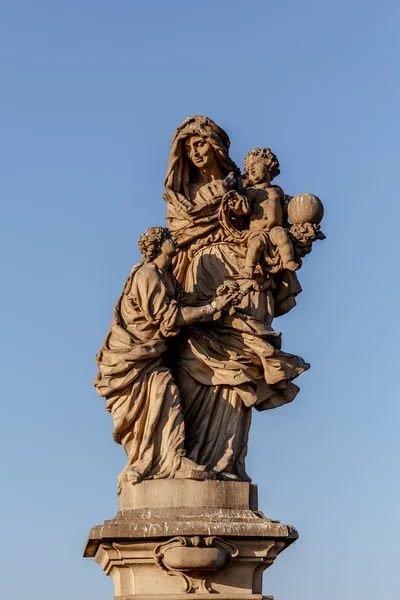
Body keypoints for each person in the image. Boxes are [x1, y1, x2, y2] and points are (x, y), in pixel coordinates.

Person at [164, 116, 309, 481]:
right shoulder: (182, 199)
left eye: (200, 144)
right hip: (198, 280)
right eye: (188, 148)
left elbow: (275, 231)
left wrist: (300, 237)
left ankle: (225, 464)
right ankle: (186, 457)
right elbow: (176, 240)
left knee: (239, 367)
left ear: (215, 145)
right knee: (189, 362)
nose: (195, 152)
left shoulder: (247, 188)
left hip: (244, 281)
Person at [94, 226, 235, 488]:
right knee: (163, 388)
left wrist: (219, 297)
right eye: (169, 237)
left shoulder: (165, 276)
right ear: (159, 246)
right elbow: (171, 317)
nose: (175, 239)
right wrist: (213, 306)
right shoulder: (147, 275)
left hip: (149, 356)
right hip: (132, 357)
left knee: (163, 390)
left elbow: (184, 302)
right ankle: (164, 460)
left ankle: (167, 458)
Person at [243, 148, 298, 278]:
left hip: (274, 230)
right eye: (247, 169)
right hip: (258, 232)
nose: (250, 169)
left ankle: (287, 261)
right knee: (256, 245)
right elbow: (245, 209)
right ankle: (249, 267)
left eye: (254, 164)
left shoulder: (277, 191)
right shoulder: (251, 192)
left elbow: (285, 207)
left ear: (268, 164)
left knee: (282, 236)